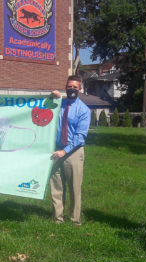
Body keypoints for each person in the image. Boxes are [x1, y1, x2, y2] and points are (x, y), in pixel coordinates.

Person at [49, 76, 91, 226]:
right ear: (65, 87)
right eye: (69, 86)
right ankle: (58, 218)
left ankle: (75, 220)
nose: (72, 89)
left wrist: (64, 151)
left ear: (80, 89)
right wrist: (52, 97)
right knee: (56, 187)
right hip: (56, 150)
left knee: (74, 189)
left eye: (75, 87)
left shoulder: (84, 110)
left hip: (73, 152)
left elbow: (80, 137)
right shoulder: (59, 104)